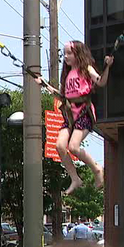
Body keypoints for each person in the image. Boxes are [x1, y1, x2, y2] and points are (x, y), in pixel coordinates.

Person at [35, 41, 112, 195]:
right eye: (65, 54)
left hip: (84, 111)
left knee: (74, 147)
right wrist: (45, 85)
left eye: (70, 53)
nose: (66, 57)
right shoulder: (68, 74)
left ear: (78, 54)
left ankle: (97, 168)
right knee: (59, 146)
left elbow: (101, 82)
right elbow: (63, 96)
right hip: (70, 115)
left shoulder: (86, 69)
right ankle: (75, 178)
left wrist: (108, 66)